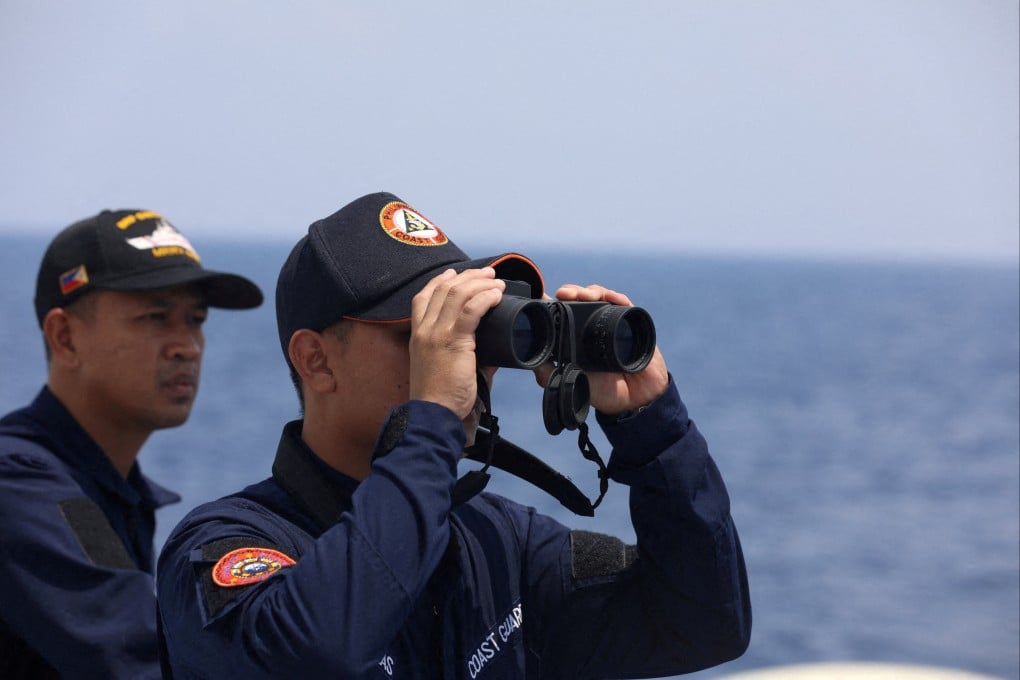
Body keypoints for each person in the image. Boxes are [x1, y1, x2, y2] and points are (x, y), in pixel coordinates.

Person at [156, 192, 751, 678]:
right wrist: (431, 421)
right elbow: (318, 653)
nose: (463, 360)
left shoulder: (499, 545)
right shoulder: (219, 549)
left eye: (472, 330)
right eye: (424, 333)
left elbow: (702, 623)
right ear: (315, 361)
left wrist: (653, 431)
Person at [0, 209, 263, 678]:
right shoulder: (20, 485)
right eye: (155, 317)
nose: (188, 345)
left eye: (196, 319)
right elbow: (143, 662)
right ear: (65, 337)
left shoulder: (102, 488)